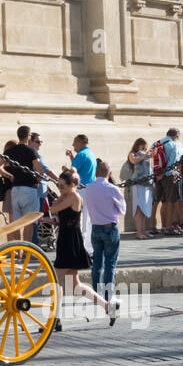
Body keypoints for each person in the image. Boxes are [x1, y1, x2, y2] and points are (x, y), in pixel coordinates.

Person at [50, 168, 111, 330]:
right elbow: (55, 210)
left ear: (72, 185)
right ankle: (107, 306)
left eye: (63, 186)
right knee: (75, 285)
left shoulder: (74, 197)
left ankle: (55, 319)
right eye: (59, 186)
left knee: (56, 281)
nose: (60, 189)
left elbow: (53, 209)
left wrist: (59, 199)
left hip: (70, 241)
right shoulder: (67, 196)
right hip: (66, 239)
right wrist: (60, 197)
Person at [83, 160, 126, 321]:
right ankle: (109, 296)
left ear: (95, 173)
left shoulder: (89, 188)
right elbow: (122, 209)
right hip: (110, 227)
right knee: (110, 264)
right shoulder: (112, 188)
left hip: (96, 228)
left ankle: (96, 294)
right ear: (109, 173)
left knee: (97, 264)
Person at [0, 126, 41, 241]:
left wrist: (9, 175)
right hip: (29, 189)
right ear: (28, 136)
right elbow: (39, 171)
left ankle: (18, 251)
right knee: (28, 222)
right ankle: (25, 251)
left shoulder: (10, 151)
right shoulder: (31, 151)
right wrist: (37, 182)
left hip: (15, 190)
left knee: (16, 222)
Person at [66, 134, 97, 252]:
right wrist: (71, 157)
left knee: (81, 220)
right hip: (90, 190)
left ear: (81, 142)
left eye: (75, 142)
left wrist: (66, 172)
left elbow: (73, 170)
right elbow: (81, 167)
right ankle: (88, 247)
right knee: (88, 220)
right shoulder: (90, 153)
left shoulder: (81, 154)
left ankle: (81, 248)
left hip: (81, 190)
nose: (73, 145)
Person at [153, 127, 183, 236]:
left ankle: (152, 226)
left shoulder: (156, 143)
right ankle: (168, 227)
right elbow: (172, 163)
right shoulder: (173, 145)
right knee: (170, 202)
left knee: (156, 202)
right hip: (169, 176)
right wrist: (164, 174)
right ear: (176, 136)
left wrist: (158, 174)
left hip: (156, 175)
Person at [127, 138, 153, 241]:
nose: (144, 148)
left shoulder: (144, 154)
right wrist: (144, 154)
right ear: (137, 145)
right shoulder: (132, 154)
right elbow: (134, 161)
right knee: (138, 207)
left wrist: (151, 154)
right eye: (142, 146)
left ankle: (142, 230)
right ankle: (139, 232)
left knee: (143, 208)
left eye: (145, 147)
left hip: (146, 183)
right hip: (138, 183)